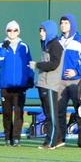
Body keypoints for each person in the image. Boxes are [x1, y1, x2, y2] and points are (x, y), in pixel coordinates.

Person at [55, 14, 81, 148]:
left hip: (76, 81)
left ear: (72, 24)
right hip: (59, 81)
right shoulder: (57, 41)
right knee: (59, 110)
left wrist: (76, 71)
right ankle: (59, 139)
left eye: (66, 23)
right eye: (61, 23)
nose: (63, 25)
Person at [0, 21, 33, 147]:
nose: (12, 32)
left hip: (20, 85)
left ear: (18, 31)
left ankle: (16, 139)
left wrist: (30, 78)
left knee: (19, 113)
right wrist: (4, 49)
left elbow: (29, 64)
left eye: (15, 30)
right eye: (9, 30)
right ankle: (7, 138)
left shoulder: (24, 46)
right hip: (6, 85)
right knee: (6, 113)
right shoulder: (0, 45)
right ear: (6, 31)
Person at [29, 20, 65, 149]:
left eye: (43, 30)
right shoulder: (46, 44)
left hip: (50, 84)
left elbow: (54, 64)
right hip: (43, 83)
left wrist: (37, 65)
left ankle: (50, 142)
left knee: (51, 115)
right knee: (47, 112)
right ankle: (59, 139)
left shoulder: (55, 45)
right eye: (40, 30)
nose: (41, 33)